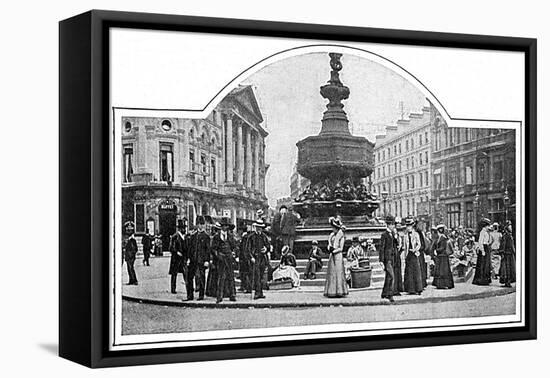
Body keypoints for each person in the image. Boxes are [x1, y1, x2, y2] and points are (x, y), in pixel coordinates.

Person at [211, 217, 238, 303]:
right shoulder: (216, 237)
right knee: (221, 278)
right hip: (221, 260)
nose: (225, 228)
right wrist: (218, 255)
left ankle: (232, 295)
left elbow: (234, 247)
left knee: (231, 277)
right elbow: (213, 249)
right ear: (221, 226)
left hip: (229, 259)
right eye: (224, 226)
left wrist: (234, 253)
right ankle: (219, 296)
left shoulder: (230, 236)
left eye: (227, 226)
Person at [185, 216, 211, 301]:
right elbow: (190, 248)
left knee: (201, 278)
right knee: (189, 278)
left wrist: (207, 260)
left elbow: (208, 250)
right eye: (199, 224)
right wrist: (188, 258)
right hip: (193, 259)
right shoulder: (193, 236)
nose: (200, 226)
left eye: (202, 224)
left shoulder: (206, 236)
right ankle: (190, 295)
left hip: (201, 260)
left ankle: (201, 295)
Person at [246, 219, 271, 299]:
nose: (259, 229)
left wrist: (266, 249)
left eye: (260, 227)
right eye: (258, 227)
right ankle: (257, 292)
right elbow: (247, 249)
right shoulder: (251, 237)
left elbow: (268, 246)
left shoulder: (264, 236)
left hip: (262, 258)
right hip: (255, 258)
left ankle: (260, 293)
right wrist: (251, 257)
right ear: (255, 227)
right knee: (256, 275)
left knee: (261, 276)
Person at [324, 217, 348, 298]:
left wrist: (333, 251)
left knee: (338, 272)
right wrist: (329, 248)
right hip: (332, 255)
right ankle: (331, 291)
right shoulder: (331, 235)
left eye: (333, 228)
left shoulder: (341, 236)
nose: (332, 229)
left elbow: (341, 248)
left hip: (338, 256)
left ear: (337, 228)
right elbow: (329, 244)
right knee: (331, 273)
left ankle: (340, 291)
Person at [379, 215, 399, 302]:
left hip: (393, 258)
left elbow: (396, 245)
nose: (394, 226)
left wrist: (395, 238)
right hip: (387, 259)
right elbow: (381, 248)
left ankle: (384, 293)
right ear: (389, 225)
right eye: (393, 224)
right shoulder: (384, 235)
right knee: (391, 276)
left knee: (388, 276)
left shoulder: (393, 234)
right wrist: (381, 260)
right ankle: (390, 295)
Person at [402, 217, 423, 295]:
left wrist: (415, 249)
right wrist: (404, 255)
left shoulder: (416, 234)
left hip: (414, 254)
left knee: (416, 271)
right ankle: (411, 289)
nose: (408, 228)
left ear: (412, 226)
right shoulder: (405, 236)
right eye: (407, 226)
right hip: (408, 255)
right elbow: (404, 246)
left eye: (409, 226)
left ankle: (418, 288)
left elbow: (419, 244)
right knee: (409, 272)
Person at [169, 219, 188, 294]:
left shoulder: (186, 237)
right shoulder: (174, 237)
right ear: (179, 229)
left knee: (186, 273)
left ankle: (188, 287)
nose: (184, 229)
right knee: (174, 274)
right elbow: (170, 248)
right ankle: (173, 289)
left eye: (184, 228)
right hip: (176, 259)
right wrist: (177, 252)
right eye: (182, 228)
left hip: (183, 258)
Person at [432, 224, 455, 289]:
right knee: (443, 270)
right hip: (441, 256)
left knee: (443, 271)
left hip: (443, 256)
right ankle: (442, 284)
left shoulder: (443, 238)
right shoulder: (441, 238)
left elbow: (442, 247)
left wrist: (436, 250)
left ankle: (443, 284)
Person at [473, 218, 493, 286]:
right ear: (485, 226)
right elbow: (480, 242)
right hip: (483, 248)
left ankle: (486, 279)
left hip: (486, 248)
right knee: (483, 265)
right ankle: (481, 280)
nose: (488, 227)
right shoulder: (482, 232)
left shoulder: (487, 232)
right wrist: (483, 251)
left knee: (487, 264)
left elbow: (489, 241)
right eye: (487, 226)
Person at [499, 222, 516, 287]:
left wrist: (513, 251)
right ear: (507, 227)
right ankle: (507, 282)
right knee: (506, 268)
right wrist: (502, 252)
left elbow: (512, 245)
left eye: (511, 226)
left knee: (510, 268)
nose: (511, 227)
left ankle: (508, 281)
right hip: (506, 254)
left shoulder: (509, 235)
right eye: (509, 226)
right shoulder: (505, 236)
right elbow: (503, 245)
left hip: (510, 254)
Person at [238, 225, 253, 293]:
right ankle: (244, 286)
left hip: (244, 258)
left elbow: (244, 249)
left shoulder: (245, 238)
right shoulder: (245, 237)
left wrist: (245, 257)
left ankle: (247, 287)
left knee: (245, 273)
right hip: (244, 258)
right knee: (244, 273)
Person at [414, 220, 429, 287]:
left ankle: (421, 283)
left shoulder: (419, 233)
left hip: (419, 252)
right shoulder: (418, 232)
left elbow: (423, 244)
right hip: (419, 252)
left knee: (420, 268)